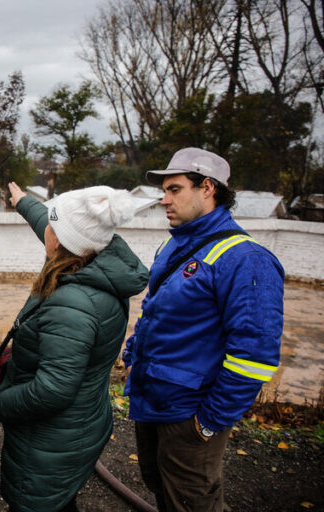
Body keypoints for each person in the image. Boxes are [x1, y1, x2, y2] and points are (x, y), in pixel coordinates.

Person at [123, 148, 284, 511]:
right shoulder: (176, 242)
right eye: (164, 190)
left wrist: (209, 422)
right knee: (161, 486)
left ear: (208, 187)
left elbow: (254, 356)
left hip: (190, 415)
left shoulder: (246, 259)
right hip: (153, 402)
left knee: (193, 502)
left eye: (175, 189)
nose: (164, 200)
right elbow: (157, 309)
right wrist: (132, 353)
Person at [0, 183, 149, 512]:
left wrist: (3, 402)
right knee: (61, 501)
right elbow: (53, 223)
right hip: (77, 425)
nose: (45, 230)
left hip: (48, 439)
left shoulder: (71, 304)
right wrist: (23, 202)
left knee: (35, 503)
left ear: (61, 240)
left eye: (52, 227)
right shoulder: (94, 262)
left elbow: (53, 389)